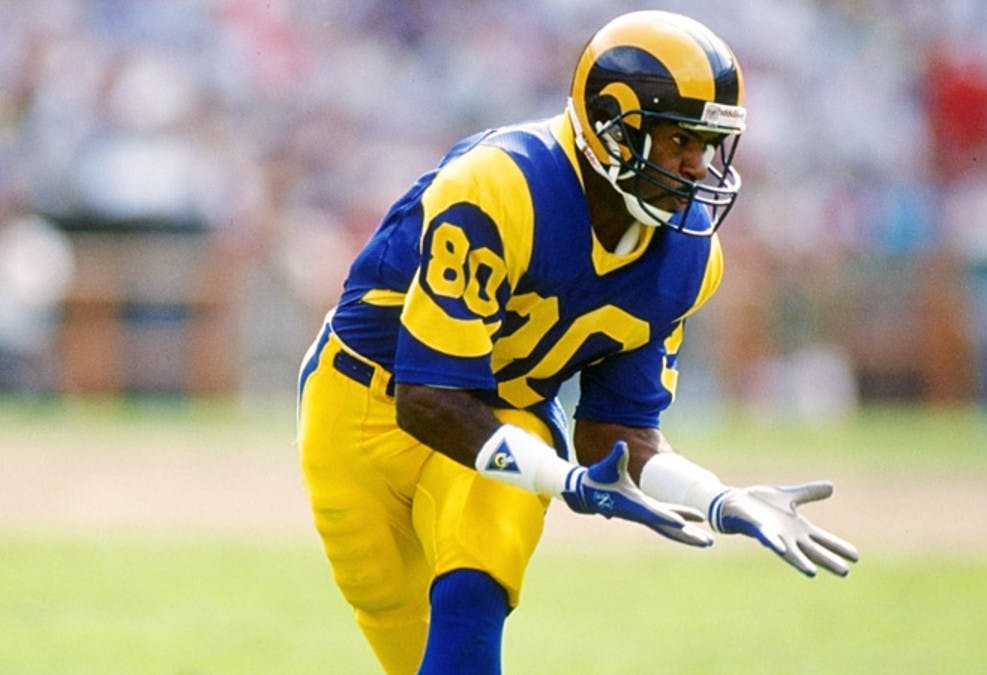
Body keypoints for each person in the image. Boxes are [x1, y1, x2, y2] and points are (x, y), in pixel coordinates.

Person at [296, 10, 858, 674]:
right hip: (364, 403)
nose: (698, 164)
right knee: (399, 628)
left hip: (504, 414)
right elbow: (428, 397)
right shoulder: (500, 186)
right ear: (616, 128)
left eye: (709, 143)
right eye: (681, 138)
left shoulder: (685, 254)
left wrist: (716, 496)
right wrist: (565, 480)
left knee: (491, 543)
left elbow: (616, 434)